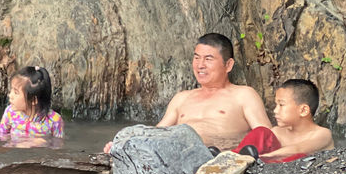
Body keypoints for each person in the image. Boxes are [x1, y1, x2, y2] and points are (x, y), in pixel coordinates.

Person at [105, 32, 270, 152]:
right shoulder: (182, 98)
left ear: (228, 65)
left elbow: (265, 135)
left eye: (208, 59)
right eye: (197, 57)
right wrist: (125, 145)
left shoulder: (243, 95)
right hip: (179, 155)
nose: (200, 65)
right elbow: (157, 133)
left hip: (223, 157)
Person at [234, 78, 333, 162]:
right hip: (268, 165)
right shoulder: (277, 132)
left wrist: (262, 158)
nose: (275, 110)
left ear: (303, 110)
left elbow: (298, 149)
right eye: (276, 105)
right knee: (261, 131)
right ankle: (232, 158)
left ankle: (243, 160)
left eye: (281, 105)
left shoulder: (323, 134)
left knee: (299, 157)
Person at [0, 66, 63, 148]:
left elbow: (58, 147)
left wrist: (44, 142)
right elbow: (1, 134)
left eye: (16, 92)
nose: (10, 95)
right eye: (11, 90)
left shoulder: (54, 120)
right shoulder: (10, 112)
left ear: (33, 100)